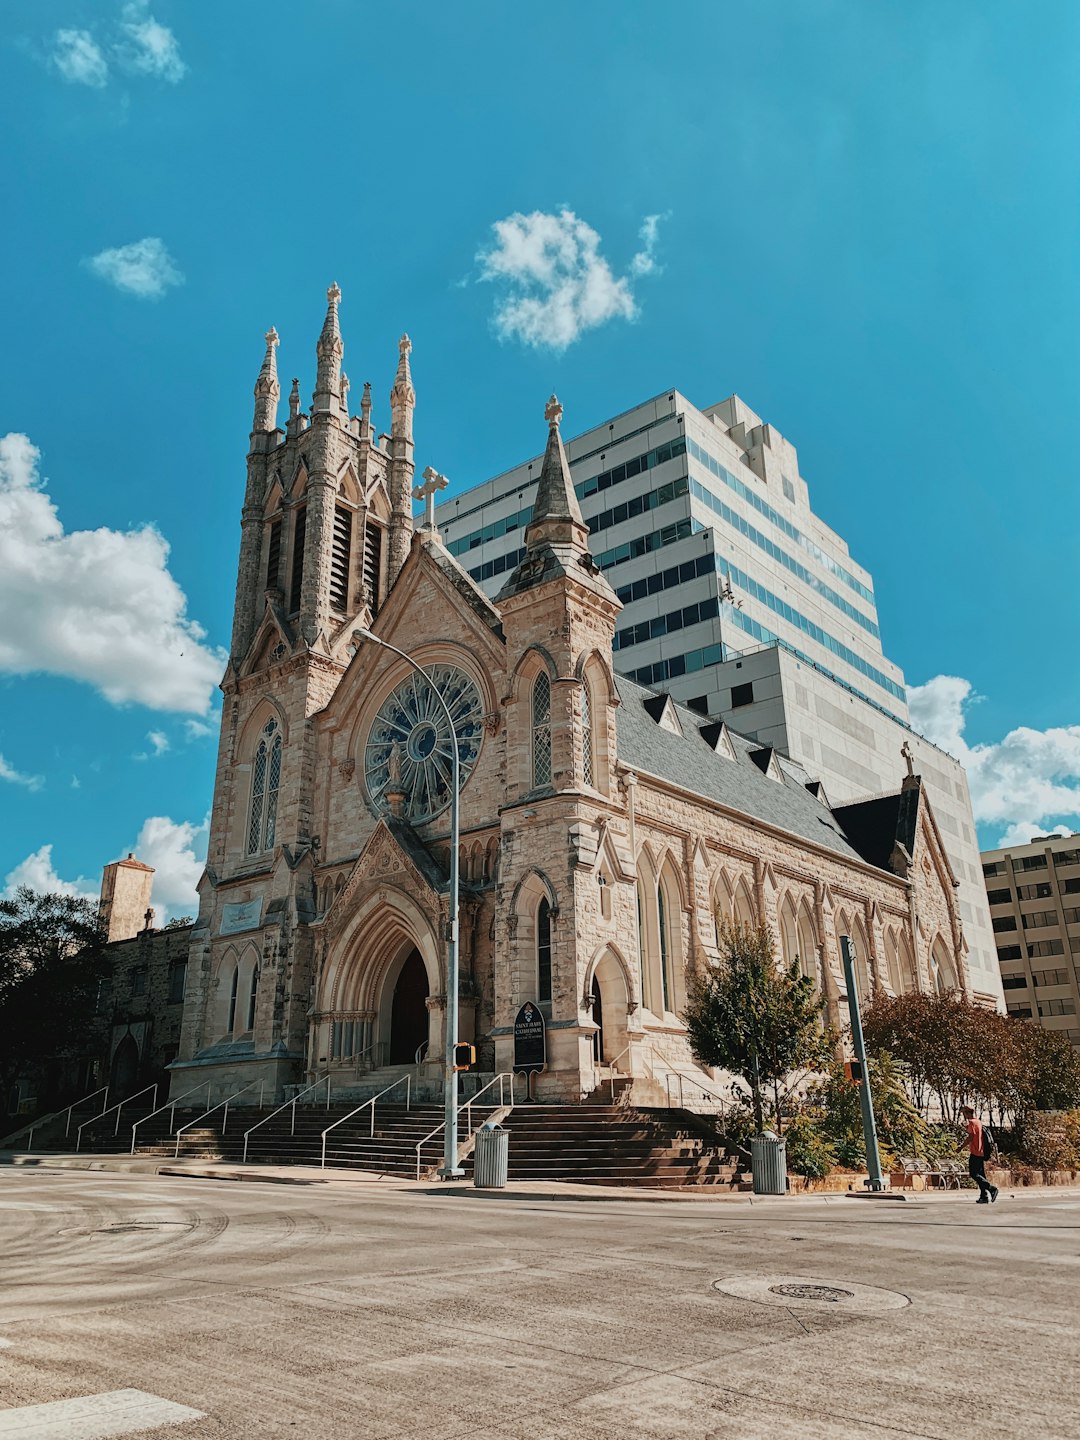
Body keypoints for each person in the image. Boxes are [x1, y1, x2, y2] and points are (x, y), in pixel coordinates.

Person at [960, 1106, 998, 1204]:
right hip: (981, 1152)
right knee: (981, 1175)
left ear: (967, 1113)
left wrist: (961, 1147)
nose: (964, 1115)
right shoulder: (978, 1122)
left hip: (975, 1152)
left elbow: (971, 1137)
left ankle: (991, 1188)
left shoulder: (972, 1122)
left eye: (964, 1113)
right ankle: (984, 1196)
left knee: (974, 1174)